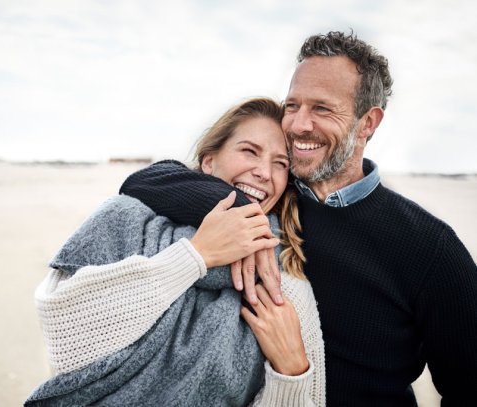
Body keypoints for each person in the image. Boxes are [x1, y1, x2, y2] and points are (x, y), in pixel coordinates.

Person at [120, 31, 477, 406]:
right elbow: (146, 180)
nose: (298, 125)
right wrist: (243, 211)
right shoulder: (272, 196)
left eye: (322, 109)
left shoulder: (428, 246)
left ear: (368, 122)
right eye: (292, 106)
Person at [25, 98, 326, 406]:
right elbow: (64, 339)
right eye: (249, 151)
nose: (264, 172)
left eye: (281, 164)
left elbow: (310, 399)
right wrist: (195, 256)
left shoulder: (284, 277)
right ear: (209, 161)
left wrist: (291, 372)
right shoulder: (126, 216)